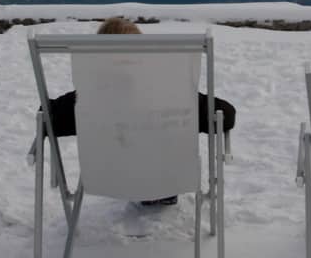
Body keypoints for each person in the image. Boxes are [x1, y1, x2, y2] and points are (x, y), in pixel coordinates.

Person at [41, 16, 237, 206]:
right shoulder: (171, 94)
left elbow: (46, 117)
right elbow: (227, 115)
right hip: (168, 177)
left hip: (111, 179)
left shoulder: (85, 99)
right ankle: (158, 191)